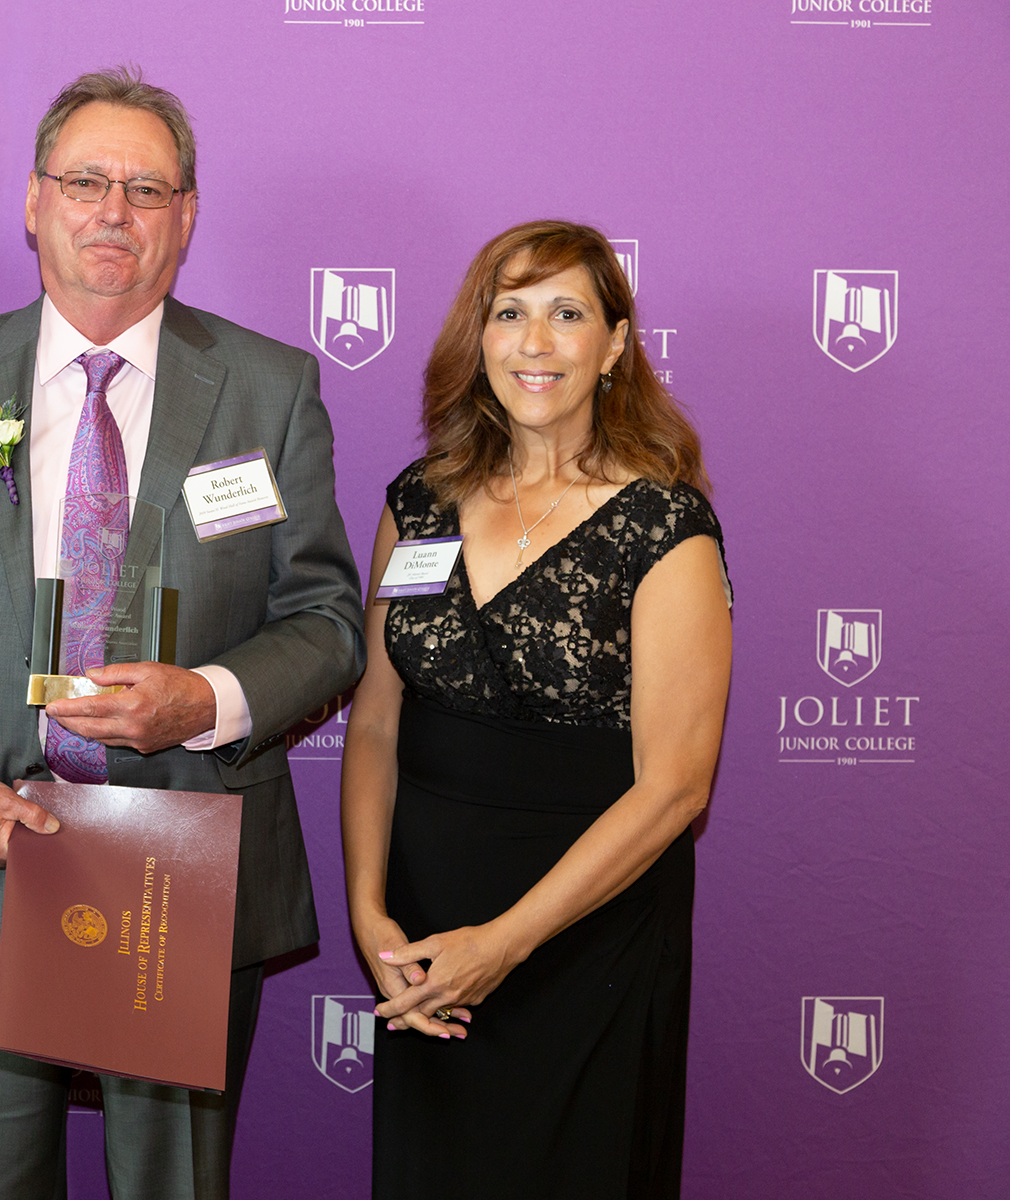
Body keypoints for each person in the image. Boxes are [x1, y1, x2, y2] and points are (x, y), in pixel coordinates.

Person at [0, 67, 364, 1200]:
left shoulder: (270, 389)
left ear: (187, 215)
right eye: (86, 181)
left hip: (182, 868)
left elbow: (324, 618)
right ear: (34, 201)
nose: (114, 211)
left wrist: (203, 698)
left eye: (148, 188)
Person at [340, 220, 732, 1198]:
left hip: (584, 943)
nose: (536, 341)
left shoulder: (664, 524)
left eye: (567, 314)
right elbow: (379, 720)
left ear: (615, 345)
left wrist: (505, 944)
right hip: (429, 946)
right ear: (478, 341)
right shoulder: (416, 502)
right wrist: (368, 912)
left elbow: (677, 788)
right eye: (509, 313)